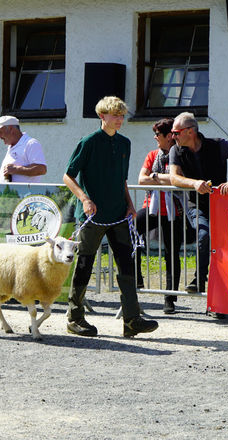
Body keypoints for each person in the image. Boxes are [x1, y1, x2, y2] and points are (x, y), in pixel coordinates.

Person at [63, 96, 158, 338]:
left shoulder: (125, 143)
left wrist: (129, 205)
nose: (120, 119)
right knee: (84, 264)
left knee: (127, 265)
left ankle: (132, 319)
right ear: (102, 116)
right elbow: (68, 176)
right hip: (91, 217)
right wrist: (84, 199)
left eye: (121, 115)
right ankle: (74, 317)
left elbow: (122, 180)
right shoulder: (88, 142)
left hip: (118, 215)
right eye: (115, 115)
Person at [168, 112, 228, 293]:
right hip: (195, 204)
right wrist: (194, 183)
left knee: (223, 246)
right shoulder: (176, 150)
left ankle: (222, 295)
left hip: (221, 203)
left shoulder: (218, 145)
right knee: (204, 235)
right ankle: (199, 279)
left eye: (176, 132)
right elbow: (174, 178)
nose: (172, 136)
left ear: (190, 131)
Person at [135, 118, 183, 314]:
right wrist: (163, 178)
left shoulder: (180, 154)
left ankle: (169, 299)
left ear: (169, 136)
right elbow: (141, 179)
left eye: (158, 134)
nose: (155, 137)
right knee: (131, 233)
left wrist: (155, 177)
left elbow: (178, 179)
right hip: (152, 208)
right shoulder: (152, 155)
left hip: (175, 210)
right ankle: (136, 281)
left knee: (172, 253)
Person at [0, 116, 46, 183]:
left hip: (26, 193)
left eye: (0, 132)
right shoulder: (12, 146)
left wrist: (16, 169)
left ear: (11, 129)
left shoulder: (30, 143)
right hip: (10, 193)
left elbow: (41, 169)